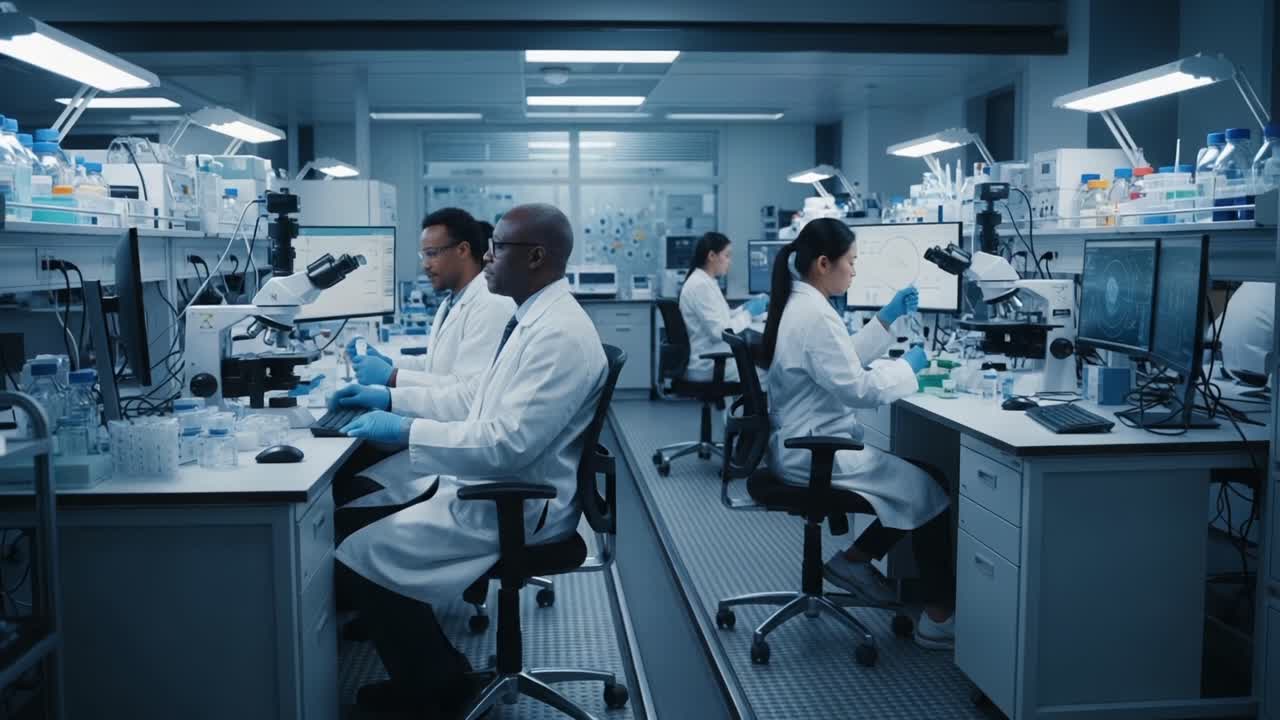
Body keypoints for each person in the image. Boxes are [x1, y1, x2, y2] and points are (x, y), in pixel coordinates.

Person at [331, 203, 608, 716]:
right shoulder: (533, 319)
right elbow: (477, 400)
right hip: (497, 485)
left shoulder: (558, 335)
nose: (487, 256)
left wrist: (406, 428)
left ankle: (435, 691)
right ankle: (439, 675)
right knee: (358, 529)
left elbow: (507, 445)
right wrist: (392, 397)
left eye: (498, 247)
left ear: (536, 257)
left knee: (359, 551)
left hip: (516, 501)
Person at [760, 218, 954, 650]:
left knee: (920, 481)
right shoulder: (814, 314)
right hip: (816, 451)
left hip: (803, 444)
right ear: (823, 263)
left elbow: (839, 359)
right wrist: (909, 367)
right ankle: (938, 619)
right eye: (851, 261)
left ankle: (855, 560)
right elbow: (860, 390)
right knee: (932, 487)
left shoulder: (802, 304)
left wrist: (886, 318)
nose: (854, 270)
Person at [348, 208, 514, 389]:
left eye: (432, 254)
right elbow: (435, 366)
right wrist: (389, 364)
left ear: (462, 250)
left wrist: (393, 378)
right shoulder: (452, 301)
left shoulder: (491, 304)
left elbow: (469, 391)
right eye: (424, 255)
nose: (425, 265)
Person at [678, 231, 767, 382]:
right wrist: (749, 314)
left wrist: (744, 308)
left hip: (713, 358)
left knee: (760, 370)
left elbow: (721, 317)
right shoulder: (700, 285)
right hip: (710, 363)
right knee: (769, 377)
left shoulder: (705, 281)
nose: (729, 262)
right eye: (727, 256)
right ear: (712, 256)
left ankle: (737, 398)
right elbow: (720, 332)